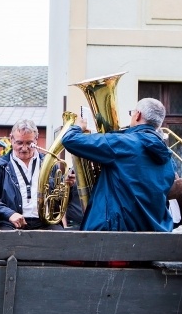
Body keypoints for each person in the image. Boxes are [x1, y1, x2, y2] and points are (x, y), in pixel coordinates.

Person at [61, 97, 175, 232]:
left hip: (116, 231)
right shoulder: (169, 158)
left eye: (132, 112)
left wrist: (77, 127)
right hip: (153, 231)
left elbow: (70, 140)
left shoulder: (124, 143)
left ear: (138, 114)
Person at [0, 119, 67, 230]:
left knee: (62, 242)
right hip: (10, 223)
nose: (25, 148)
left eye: (29, 143)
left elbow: (61, 200)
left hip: (46, 223)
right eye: (20, 143)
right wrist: (8, 214)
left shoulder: (50, 164)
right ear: (11, 139)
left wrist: (68, 186)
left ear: (36, 139)